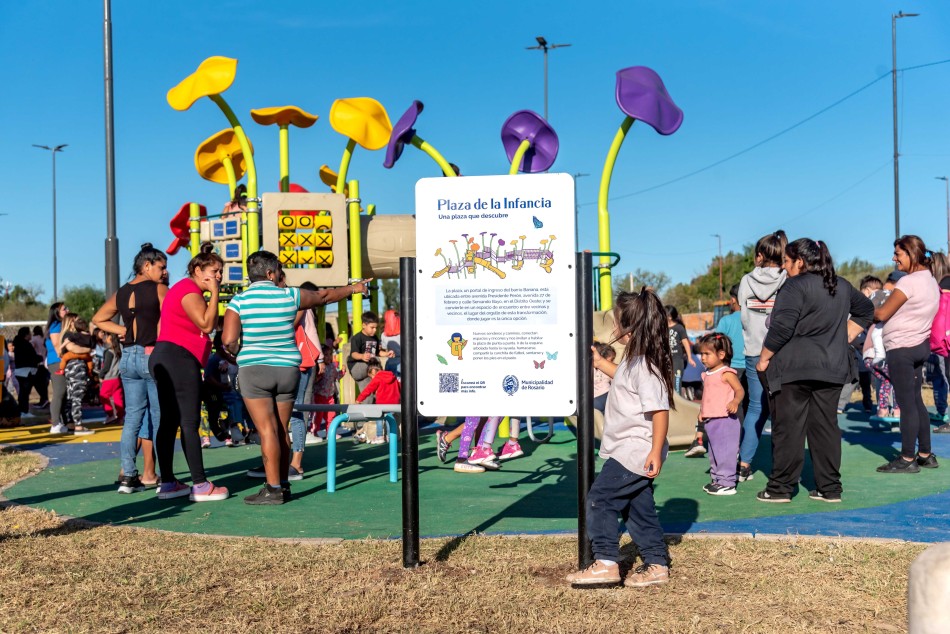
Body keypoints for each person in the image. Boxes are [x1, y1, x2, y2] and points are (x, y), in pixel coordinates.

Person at [222, 250, 371, 505]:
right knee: (282, 429)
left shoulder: (239, 301)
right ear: (270, 273)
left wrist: (239, 353)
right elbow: (324, 296)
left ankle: (272, 489)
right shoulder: (290, 295)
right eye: (278, 270)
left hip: (255, 370)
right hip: (288, 370)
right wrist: (355, 288)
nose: (281, 274)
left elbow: (228, 341)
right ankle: (283, 483)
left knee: (266, 430)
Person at [567, 288, 673, 588]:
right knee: (637, 509)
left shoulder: (646, 366)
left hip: (635, 451)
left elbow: (659, 411)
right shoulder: (633, 362)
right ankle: (656, 564)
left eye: (617, 323)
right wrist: (601, 364)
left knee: (600, 500)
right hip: (631, 450)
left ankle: (605, 563)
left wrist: (655, 450)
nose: (613, 329)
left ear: (630, 328)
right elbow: (625, 381)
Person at [755, 239, 874, 503]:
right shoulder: (840, 285)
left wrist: (763, 359)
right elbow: (867, 309)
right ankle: (829, 488)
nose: (784, 268)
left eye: (786, 261)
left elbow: (782, 328)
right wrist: (847, 333)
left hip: (794, 368)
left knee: (789, 428)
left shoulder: (794, 286)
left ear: (800, 261)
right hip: (831, 367)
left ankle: (780, 489)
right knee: (826, 428)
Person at [149, 243, 227, 501]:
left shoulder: (182, 289)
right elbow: (206, 322)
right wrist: (215, 293)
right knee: (189, 422)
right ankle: (201, 485)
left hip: (170, 356)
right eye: (214, 271)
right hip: (178, 359)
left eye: (221, 272)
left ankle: (169, 483)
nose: (218, 276)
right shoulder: (188, 289)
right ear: (197, 269)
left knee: (170, 421)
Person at [93, 243, 167, 493]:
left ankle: (128, 476)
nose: (164, 272)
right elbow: (170, 319)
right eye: (161, 267)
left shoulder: (123, 292)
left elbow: (98, 319)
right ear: (147, 266)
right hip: (150, 354)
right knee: (158, 416)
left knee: (132, 417)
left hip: (128, 357)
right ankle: (165, 476)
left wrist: (123, 330)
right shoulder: (158, 289)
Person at [874, 236, 941, 473]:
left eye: (898, 253)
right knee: (916, 400)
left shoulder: (909, 282)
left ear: (911, 254)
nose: (894, 258)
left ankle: (907, 458)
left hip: (902, 347)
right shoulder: (931, 281)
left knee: (906, 404)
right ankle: (925, 453)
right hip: (919, 345)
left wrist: (866, 308)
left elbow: (882, 314)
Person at [737, 230, 787, 482]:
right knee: (784, 410)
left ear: (759, 256)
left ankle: (744, 464)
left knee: (755, 408)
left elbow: (743, 313)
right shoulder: (788, 278)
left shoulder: (746, 280)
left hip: (754, 351)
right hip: (781, 352)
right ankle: (784, 468)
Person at [696, 333, 744, 495]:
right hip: (711, 420)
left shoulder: (726, 373)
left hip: (725, 420)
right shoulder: (708, 374)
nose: (703, 358)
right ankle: (717, 479)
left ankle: (727, 482)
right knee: (714, 452)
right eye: (701, 354)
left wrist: (735, 401)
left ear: (721, 355)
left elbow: (739, 390)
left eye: (707, 354)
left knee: (725, 452)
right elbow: (707, 396)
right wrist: (702, 411)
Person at [59, 314, 95, 435]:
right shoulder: (70, 335)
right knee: (77, 395)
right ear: (71, 322)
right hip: (76, 366)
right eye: (76, 320)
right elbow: (75, 349)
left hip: (71, 367)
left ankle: (71, 424)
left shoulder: (73, 336)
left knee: (71, 396)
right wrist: (88, 350)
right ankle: (78, 425)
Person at [347, 311, 395, 398]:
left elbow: (377, 352)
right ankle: (384, 378)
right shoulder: (357, 338)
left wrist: (387, 354)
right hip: (357, 367)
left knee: (369, 395)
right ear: (364, 325)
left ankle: (369, 407)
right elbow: (353, 354)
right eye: (372, 327)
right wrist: (362, 356)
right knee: (377, 360)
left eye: (376, 328)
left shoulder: (374, 338)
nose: (375, 330)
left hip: (368, 369)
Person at [355, 357, 401, 444]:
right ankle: (390, 437)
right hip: (394, 403)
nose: (372, 379)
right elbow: (399, 386)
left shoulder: (377, 378)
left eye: (371, 376)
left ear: (373, 371)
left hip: (382, 404)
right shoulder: (393, 376)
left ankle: (380, 436)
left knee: (379, 418)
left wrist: (359, 399)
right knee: (390, 420)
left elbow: (368, 389)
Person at [44, 302, 70, 434]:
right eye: (64, 309)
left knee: (63, 393)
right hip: (57, 362)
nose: (67, 310)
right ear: (57, 312)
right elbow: (56, 345)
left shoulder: (61, 325)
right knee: (59, 392)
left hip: (60, 362)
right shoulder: (56, 326)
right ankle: (55, 424)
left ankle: (60, 422)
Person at [12, 327, 44, 415]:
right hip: (26, 372)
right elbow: (31, 357)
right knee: (24, 393)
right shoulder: (25, 345)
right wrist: (40, 358)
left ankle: (23, 410)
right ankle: (23, 411)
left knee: (23, 392)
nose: (31, 335)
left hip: (20, 371)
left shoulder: (19, 344)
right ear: (26, 335)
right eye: (29, 333)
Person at [666, 306, 695, 391]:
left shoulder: (679, 328)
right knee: (667, 382)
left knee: (676, 382)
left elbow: (685, 343)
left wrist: (690, 357)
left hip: (677, 359)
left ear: (670, 317)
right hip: (666, 359)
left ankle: (678, 400)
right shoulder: (662, 328)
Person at [99, 332, 124, 425]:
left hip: (109, 378)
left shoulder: (109, 352)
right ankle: (121, 417)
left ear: (110, 338)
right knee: (118, 397)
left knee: (103, 396)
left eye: (106, 335)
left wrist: (101, 375)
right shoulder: (118, 351)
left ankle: (110, 414)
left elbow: (106, 366)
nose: (105, 337)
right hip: (117, 378)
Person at [592, 342, 615, 414]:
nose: (612, 363)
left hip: (594, 400)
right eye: (611, 360)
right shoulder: (607, 370)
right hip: (606, 396)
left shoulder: (592, 369)